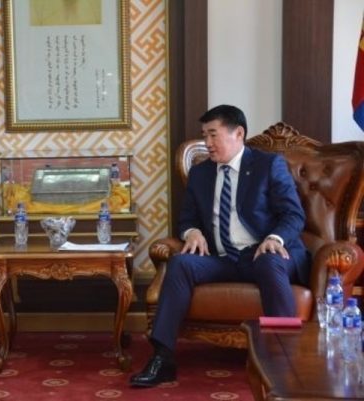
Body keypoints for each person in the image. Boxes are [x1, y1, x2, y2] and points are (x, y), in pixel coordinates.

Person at [130, 105, 309, 388]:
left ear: (238, 133)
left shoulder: (267, 165)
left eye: (213, 135)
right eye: (204, 136)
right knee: (180, 263)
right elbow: (187, 219)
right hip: (223, 258)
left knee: (269, 260)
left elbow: (293, 214)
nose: (207, 143)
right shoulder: (201, 173)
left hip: (262, 254)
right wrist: (192, 233)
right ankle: (163, 358)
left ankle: (283, 359)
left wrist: (274, 239)